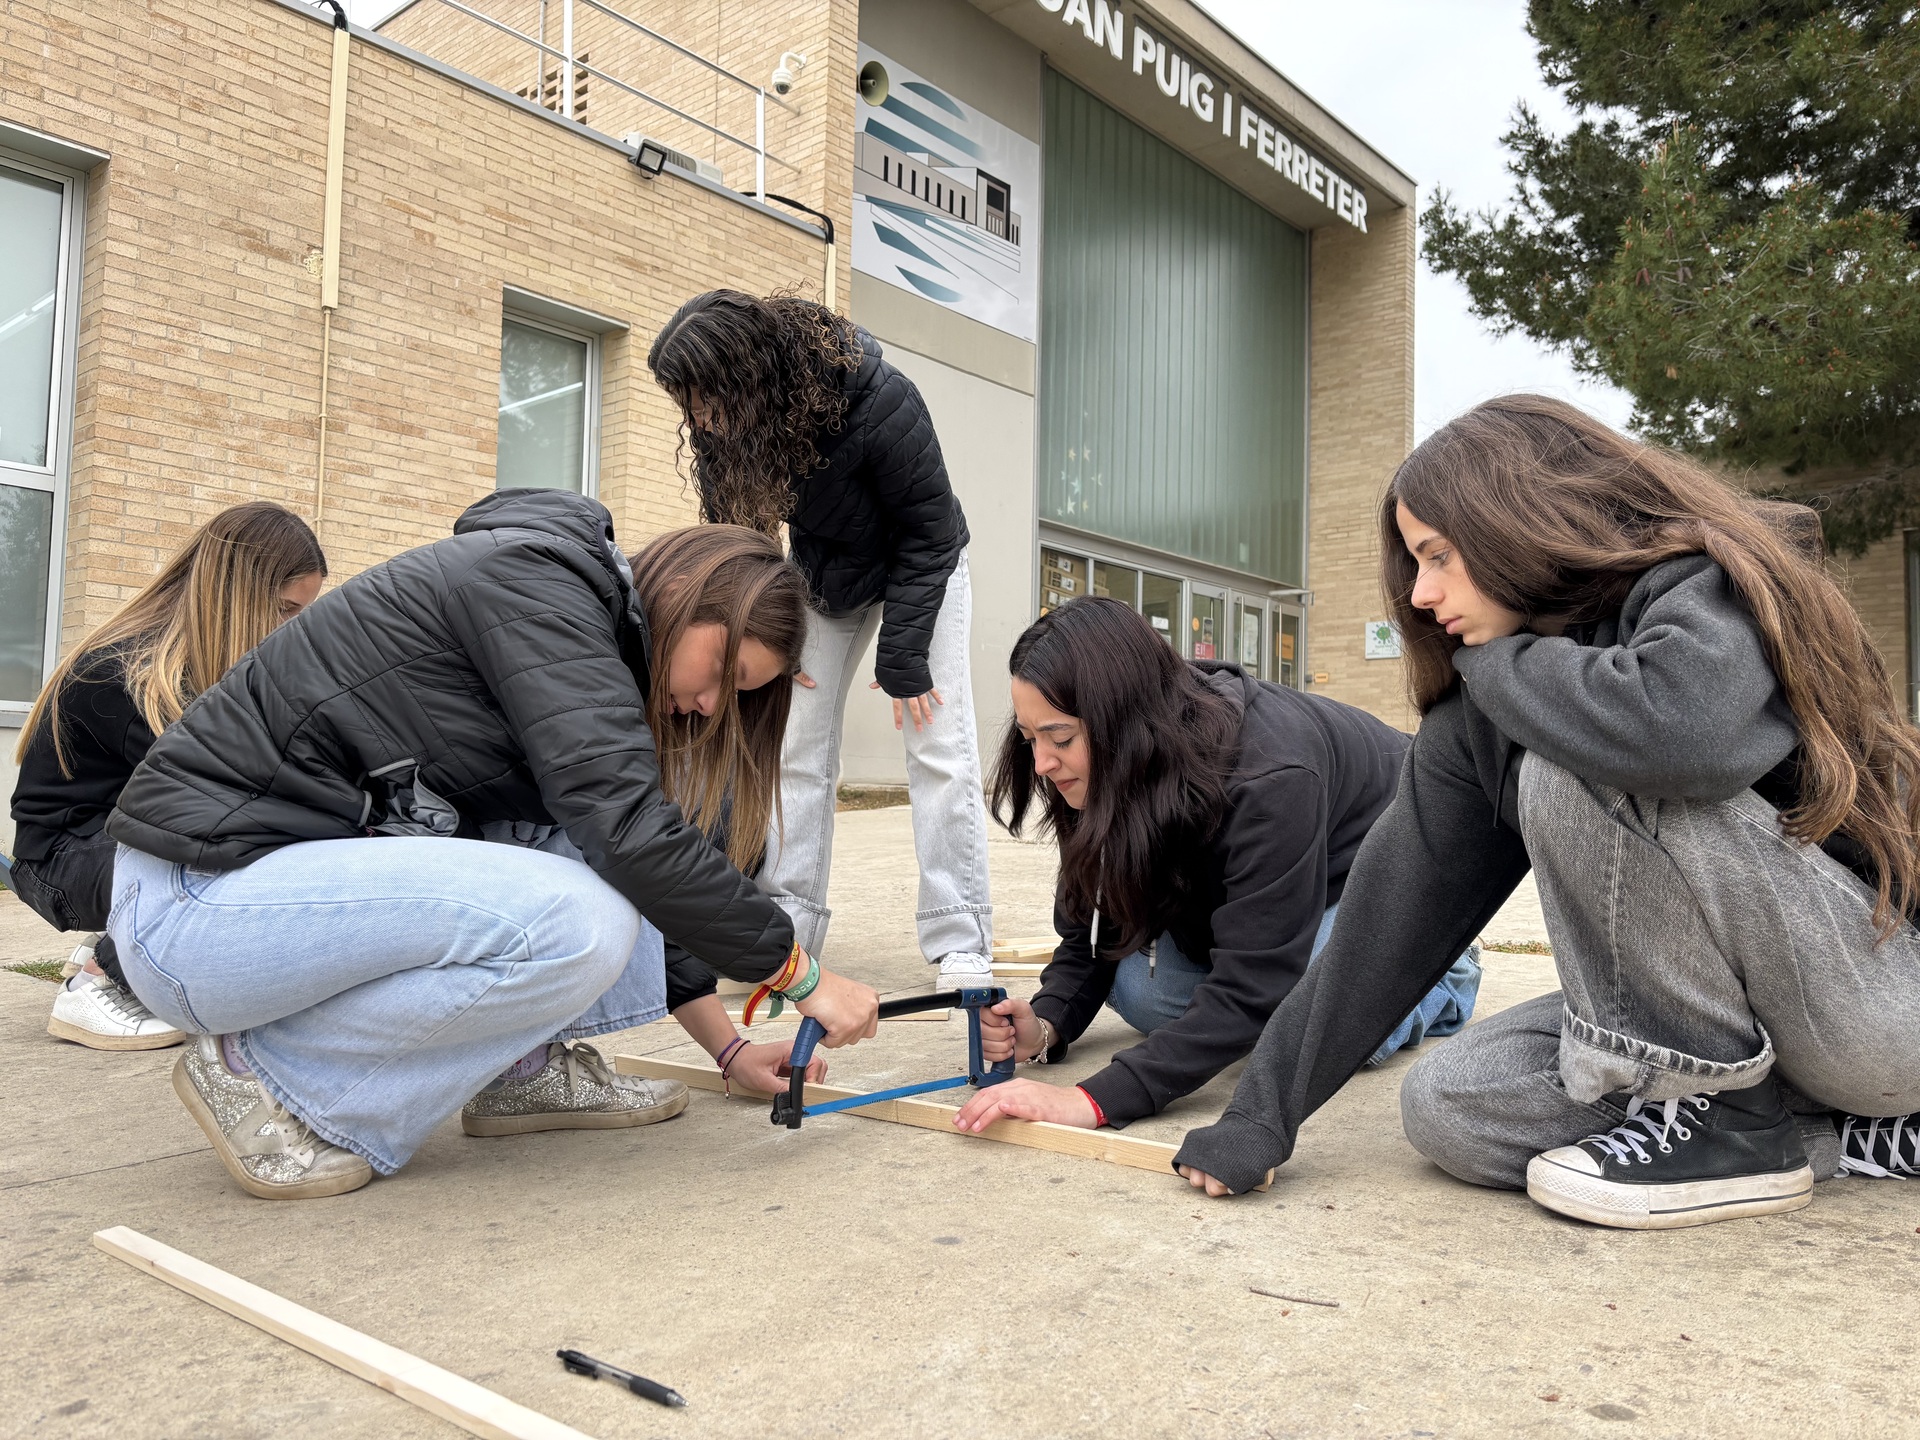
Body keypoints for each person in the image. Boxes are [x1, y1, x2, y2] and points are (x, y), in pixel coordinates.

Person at [1172, 395, 1920, 1226]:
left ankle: (1725, 1117)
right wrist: (1260, 1115)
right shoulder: (1491, 707)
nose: (1420, 594)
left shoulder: (1707, 586)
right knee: (1449, 1104)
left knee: (1573, 761)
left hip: (1878, 1008)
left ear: (1514, 518)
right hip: (1771, 1038)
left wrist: (1493, 666)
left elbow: (1683, 733)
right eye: (1414, 564)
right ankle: (1810, 1135)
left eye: (1438, 555)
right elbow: (1392, 910)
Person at [106, 491, 880, 1200]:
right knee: (577, 921)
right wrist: (800, 974)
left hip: (257, 909)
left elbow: (627, 855)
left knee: (584, 863)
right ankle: (269, 1076)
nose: (710, 705)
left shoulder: (577, 637)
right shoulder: (539, 590)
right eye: (725, 672)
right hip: (197, 904)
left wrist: (728, 1051)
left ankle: (519, 1069)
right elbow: (627, 833)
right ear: (684, 591)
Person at [947, 597, 1481, 1134]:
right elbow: (1093, 927)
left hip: (1395, 869)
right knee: (1139, 992)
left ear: (1124, 721)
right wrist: (1045, 1024)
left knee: (1312, 1021)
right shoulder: (1090, 766)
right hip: (1279, 887)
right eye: (1030, 738)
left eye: (1060, 738)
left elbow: (1253, 981)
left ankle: (1444, 969)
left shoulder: (1271, 774)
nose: (1041, 762)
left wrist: (1095, 1099)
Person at [648, 289, 995, 983]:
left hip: (922, 564)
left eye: (704, 400)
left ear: (747, 376)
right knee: (796, 740)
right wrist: (769, 636)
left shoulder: (881, 398)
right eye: (686, 403)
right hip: (827, 575)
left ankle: (960, 937)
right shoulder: (729, 430)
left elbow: (929, 535)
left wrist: (903, 659)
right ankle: (789, 929)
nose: (697, 419)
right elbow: (742, 546)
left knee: (936, 741)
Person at [8, 502, 326, 1050]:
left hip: (108, 844)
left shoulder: (192, 665)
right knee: (247, 850)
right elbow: (226, 801)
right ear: (237, 595)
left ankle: (128, 936)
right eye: (282, 609)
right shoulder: (130, 673)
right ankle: (100, 983)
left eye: (300, 614)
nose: (288, 628)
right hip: (60, 864)